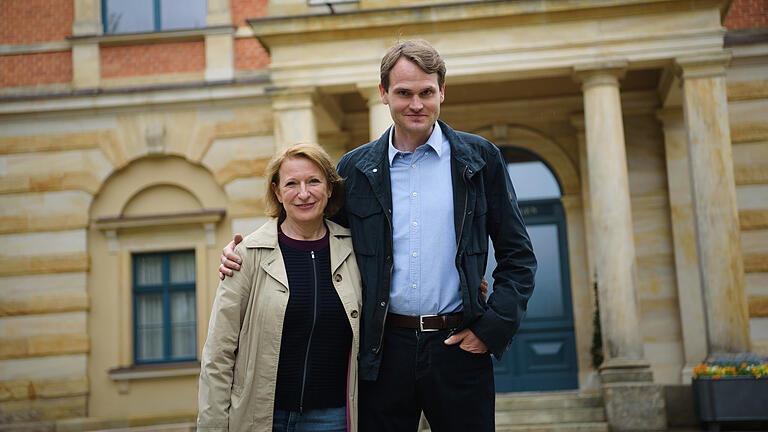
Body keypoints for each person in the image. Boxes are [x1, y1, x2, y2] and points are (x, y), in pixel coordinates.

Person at [219, 39, 536, 432]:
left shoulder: (479, 159)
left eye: (426, 92)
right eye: (403, 93)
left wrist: (492, 329)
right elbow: (314, 230)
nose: (416, 104)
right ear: (384, 94)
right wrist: (248, 251)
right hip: (381, 352)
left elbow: (518, 256)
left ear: (442, 92)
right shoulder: (355, 168)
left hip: (459, 346)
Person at [198, 142, 362, 432]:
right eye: (291, 184)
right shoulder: (248, 254)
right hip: (262, 418)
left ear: (329, 188)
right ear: (276, 191)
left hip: (332, 419)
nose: (303, 193)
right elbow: (219, 354)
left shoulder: (356, 250)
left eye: (313, 181)